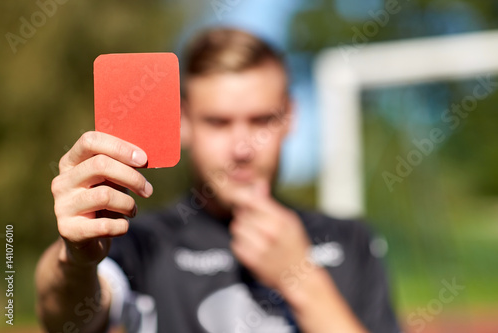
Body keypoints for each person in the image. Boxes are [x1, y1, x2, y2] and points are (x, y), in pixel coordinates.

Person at [36, 27, 400, 333]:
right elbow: (64, 318)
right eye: (218, 122)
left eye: (261, 120)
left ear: (290, 117)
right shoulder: (143, 243)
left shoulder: (349, 240)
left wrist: (301, 279)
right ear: (184, 122)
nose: (242, 148)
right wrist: (76, 259)